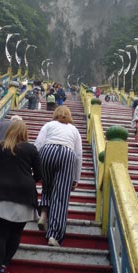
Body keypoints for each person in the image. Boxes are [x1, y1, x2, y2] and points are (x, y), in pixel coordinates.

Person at [0, 119, 42, 273]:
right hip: (24, 194)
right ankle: (3, 265)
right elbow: (39, 174)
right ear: (25, 133)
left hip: (1, 192)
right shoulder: (31, 149)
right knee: (16, 233)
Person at [34, 105, 82, 247]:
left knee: (47, 185)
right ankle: (53, 235)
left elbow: (38, 144)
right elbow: (79, 155)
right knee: (60, 195)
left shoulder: (49, 125)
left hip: (47, 151)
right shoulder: (74, 130)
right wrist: (76, 177)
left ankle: (43, 213)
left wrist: (35, 167)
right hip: (67, 154)